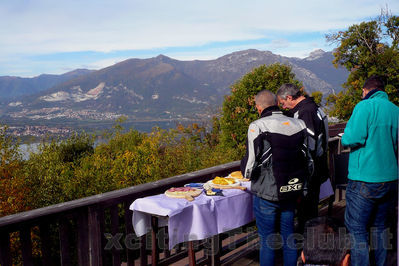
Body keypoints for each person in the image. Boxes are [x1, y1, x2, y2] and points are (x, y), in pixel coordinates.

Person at [241, 90, 313, 266]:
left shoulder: (257, 126)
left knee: (267, 239)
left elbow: (250, 164)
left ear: (259, 107)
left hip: (267, 191)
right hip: (291, 189)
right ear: (276, 103)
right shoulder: (299, 124)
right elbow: (308, 158)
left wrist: (248, 176)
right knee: (289, 235)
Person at [341, 75, 399, 266]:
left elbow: (351, 138)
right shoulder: (395, 110)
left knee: (357, 229)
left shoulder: (364, 106)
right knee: (381, 228)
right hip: (390, 178)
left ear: (365, 91)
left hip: (364, 178)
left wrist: (346, 134)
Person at [276, 84, 329, 232]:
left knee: (307, 213)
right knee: (310, 211)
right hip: (318, 167)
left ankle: (309, 248)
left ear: (289, 97)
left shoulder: (305, 112)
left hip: (310, 172)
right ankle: (310, 245)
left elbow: (309, 144)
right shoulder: (314, 108)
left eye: (283, 103)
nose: (284, 107)